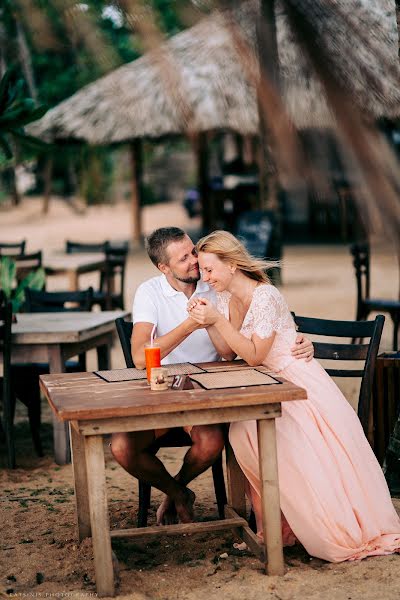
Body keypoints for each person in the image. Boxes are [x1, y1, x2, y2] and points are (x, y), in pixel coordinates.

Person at [187, 230, 400, 562]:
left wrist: (217, 320)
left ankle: (298, 525)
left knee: (252, 432)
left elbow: (256, 354)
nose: (206, 277)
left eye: (210, 269)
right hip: (266, 382)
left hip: (295, 382)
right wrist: (209, 322)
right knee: (243, 432)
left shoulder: (266, 295)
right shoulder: (228, 297)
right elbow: (229, 352)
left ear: (231, 264)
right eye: (203, 270)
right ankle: (276, 526)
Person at [111, 227, 314, 525]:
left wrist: (301, 339)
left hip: (208, 391)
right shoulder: (150, 292)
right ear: (163, 267)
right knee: (121, 447)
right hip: (162, 389)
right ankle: (178, 493)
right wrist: (190, 324)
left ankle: (176, 489)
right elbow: (140, 357)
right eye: (184, 259)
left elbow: (260, 321)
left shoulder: (215, 279)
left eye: (193, 251)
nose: (195, 262)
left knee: (210, 443)